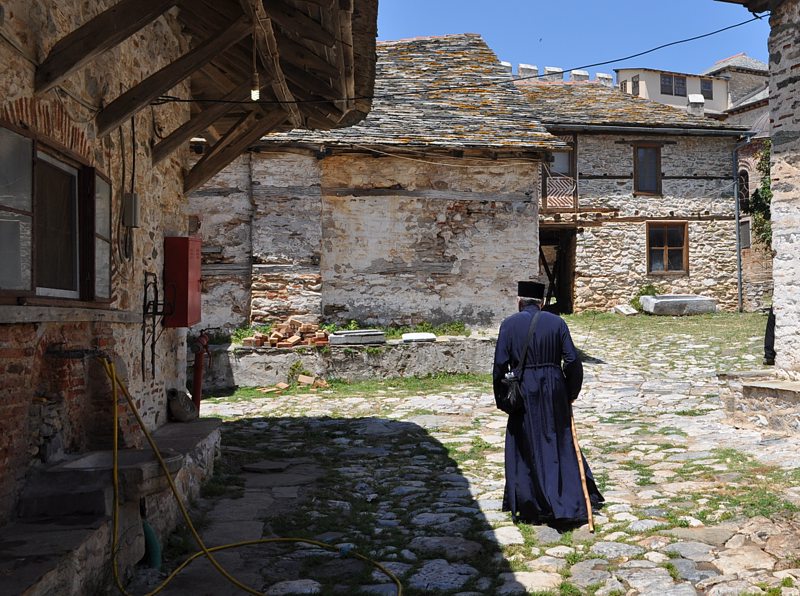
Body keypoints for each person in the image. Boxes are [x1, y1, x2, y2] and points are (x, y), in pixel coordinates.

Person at [493, 281, 603, 528]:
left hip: (524, 390)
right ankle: (565, 500)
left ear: (519, 302)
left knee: (525, 443)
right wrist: (570, 391)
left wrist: (503, 400)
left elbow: (500, 367)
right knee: (558, 441)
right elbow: (573, 360)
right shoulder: (557, 323)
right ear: (541, 303)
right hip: (554, 387)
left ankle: (531, 503)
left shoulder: (508, 325)